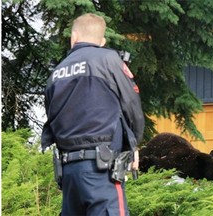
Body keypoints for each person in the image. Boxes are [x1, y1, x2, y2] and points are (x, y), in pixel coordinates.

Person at [41, 13, 145, 216]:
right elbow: (131, 103)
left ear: (74, 37)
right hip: (102, 170)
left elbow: (51, 116)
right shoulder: (109, 59)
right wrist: (133, 145)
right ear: (102, 41)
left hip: (69, 173)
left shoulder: (56, 73)